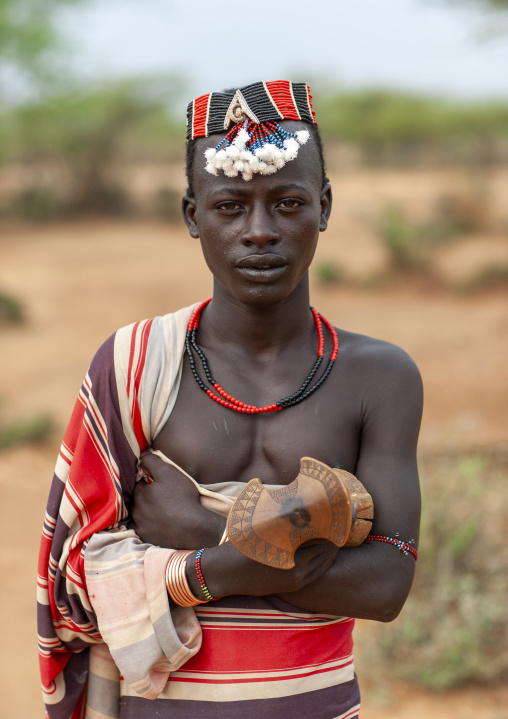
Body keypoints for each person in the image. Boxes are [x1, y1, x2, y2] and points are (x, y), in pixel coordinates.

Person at [37, 80, 423, 719]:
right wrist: (296, 546)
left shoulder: (379, 377)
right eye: (230, 206)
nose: (260, 231)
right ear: (193, 216)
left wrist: (199, 539)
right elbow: (74, 577)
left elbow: (386, 583)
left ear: (324, 208)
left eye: (288, 202)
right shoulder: (135, 365)